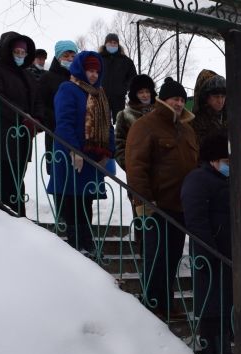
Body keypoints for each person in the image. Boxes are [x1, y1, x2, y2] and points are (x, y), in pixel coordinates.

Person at [125, 77, 198, 320]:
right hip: (156, 206)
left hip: (181, 205)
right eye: (174, 99)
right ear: (163, 100)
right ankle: (153, 302)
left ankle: (167, 302)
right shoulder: (145, 125)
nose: (178, 103)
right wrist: (144, 201)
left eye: (181, 99)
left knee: (172, 258)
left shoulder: (187, 129)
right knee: (155, 256)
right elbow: (136, 166)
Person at [46, 51, 115, 256]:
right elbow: (64, 123)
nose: (93, 75)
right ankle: (76, 244)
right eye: (89, 70)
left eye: (96, 71)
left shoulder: (100, 93)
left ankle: (88, 241)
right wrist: (74, 151)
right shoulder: (68, 89)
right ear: (80, 69)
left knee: (86, 201)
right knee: (71, 200)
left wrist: (108, 152)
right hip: (71, 156)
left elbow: (108, 126)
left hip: (93, 157)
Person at [182, 134, 235, 354]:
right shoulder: (198, 179)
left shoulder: (227, 180)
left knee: (225, 306)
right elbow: (196, 219)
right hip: (209, 254)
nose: (228, 165)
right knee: (210, 305)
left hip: (228, 254)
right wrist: (209, 249)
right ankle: (208, 352)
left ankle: (225, 353)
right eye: (225, 160)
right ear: (213, 160)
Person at [0, 31, 39, 217]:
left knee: (17, 178)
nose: (20, 55)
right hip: (1, 134)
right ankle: (3, 216)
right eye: (16, 51)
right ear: (7, 50)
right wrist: (23, 117)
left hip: (22, 135)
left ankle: (16, 216)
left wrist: (37, 118)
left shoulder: (26, 75)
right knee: (6, 177)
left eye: (23, 52)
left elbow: (36, 100)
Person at [36, 40, 77, 164]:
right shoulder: (47, 78)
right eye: (65, 56)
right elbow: (41, 105)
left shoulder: (78, 78)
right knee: (58, 172)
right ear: (58, 57)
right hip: (55, 132)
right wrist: (55, 120)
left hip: (77, 134)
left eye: (73, 56)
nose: (70, 59)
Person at [113, 74, 156, 170]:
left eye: (147, 91)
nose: (145, 95)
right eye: (141, 92)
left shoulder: (160, 112)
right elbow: (118, 145)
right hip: (138, 170)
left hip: (162, 171)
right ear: (135, 94)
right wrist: (129, 166)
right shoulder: (124, 115)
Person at [98, 33, 136, 119]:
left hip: (119, 98)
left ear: (118, 45)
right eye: (110, 42)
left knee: (119, 122)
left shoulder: (126, 61)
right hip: (101, 97)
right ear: (105, 44)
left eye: (115, 42)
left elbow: (133, 77)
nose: (112, 44)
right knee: (102, 122)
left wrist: (124, 88)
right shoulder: (98, 58)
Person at [191, 69, 226, 151]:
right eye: (216, 96)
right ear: (205, 97)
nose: (220, 101)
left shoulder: (229, 118)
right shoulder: (194, 123)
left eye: (223, 96)